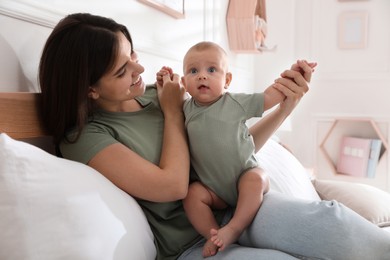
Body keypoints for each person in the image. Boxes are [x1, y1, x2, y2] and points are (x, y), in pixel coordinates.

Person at [39, 13, 390, 260]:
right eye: (122, 69)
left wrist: (285, 108)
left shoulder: (154, 93)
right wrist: (174, 110)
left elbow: (231, 148)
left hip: (237, 203)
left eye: (133, 55)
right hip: (192, 244)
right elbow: (174, 186)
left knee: (334, 223)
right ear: (91, 90)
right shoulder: (86, 139)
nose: (139, 70)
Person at [156, 41, 315, 257]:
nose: (202, 76)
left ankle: (234, 228)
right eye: (193, 71)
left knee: (256, 178)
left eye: (212, 70)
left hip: (244, 177)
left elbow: (270, 96)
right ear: (184, 81)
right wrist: (164, 79)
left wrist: (291, 77)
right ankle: (213, 234)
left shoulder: (235, 103)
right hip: (213, 191)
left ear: (227, 80)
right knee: (192, 195)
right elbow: (171, 95)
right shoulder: (185, 109)